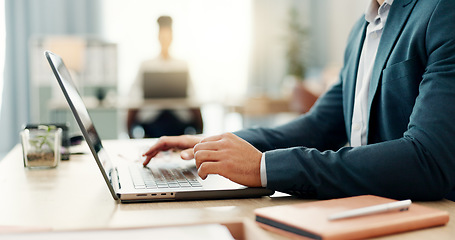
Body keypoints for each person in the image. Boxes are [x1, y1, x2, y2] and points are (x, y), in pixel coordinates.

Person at [142, 0, 455, 201]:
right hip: (363, 205)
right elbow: (318, 126)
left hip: (427, 216)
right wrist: (210, 144)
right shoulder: (361, 29)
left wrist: (264, 167)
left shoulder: (442, 11)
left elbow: (427, 158)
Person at [127, 16, 203, 138]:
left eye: (167, 37)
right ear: (158, 38)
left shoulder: (182, 65)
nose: (165, 40)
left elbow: (193, 96)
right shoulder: (146, 65)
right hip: (153, 120)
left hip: (178, 119)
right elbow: (134, 95)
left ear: (172, 38)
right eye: (162, 37)